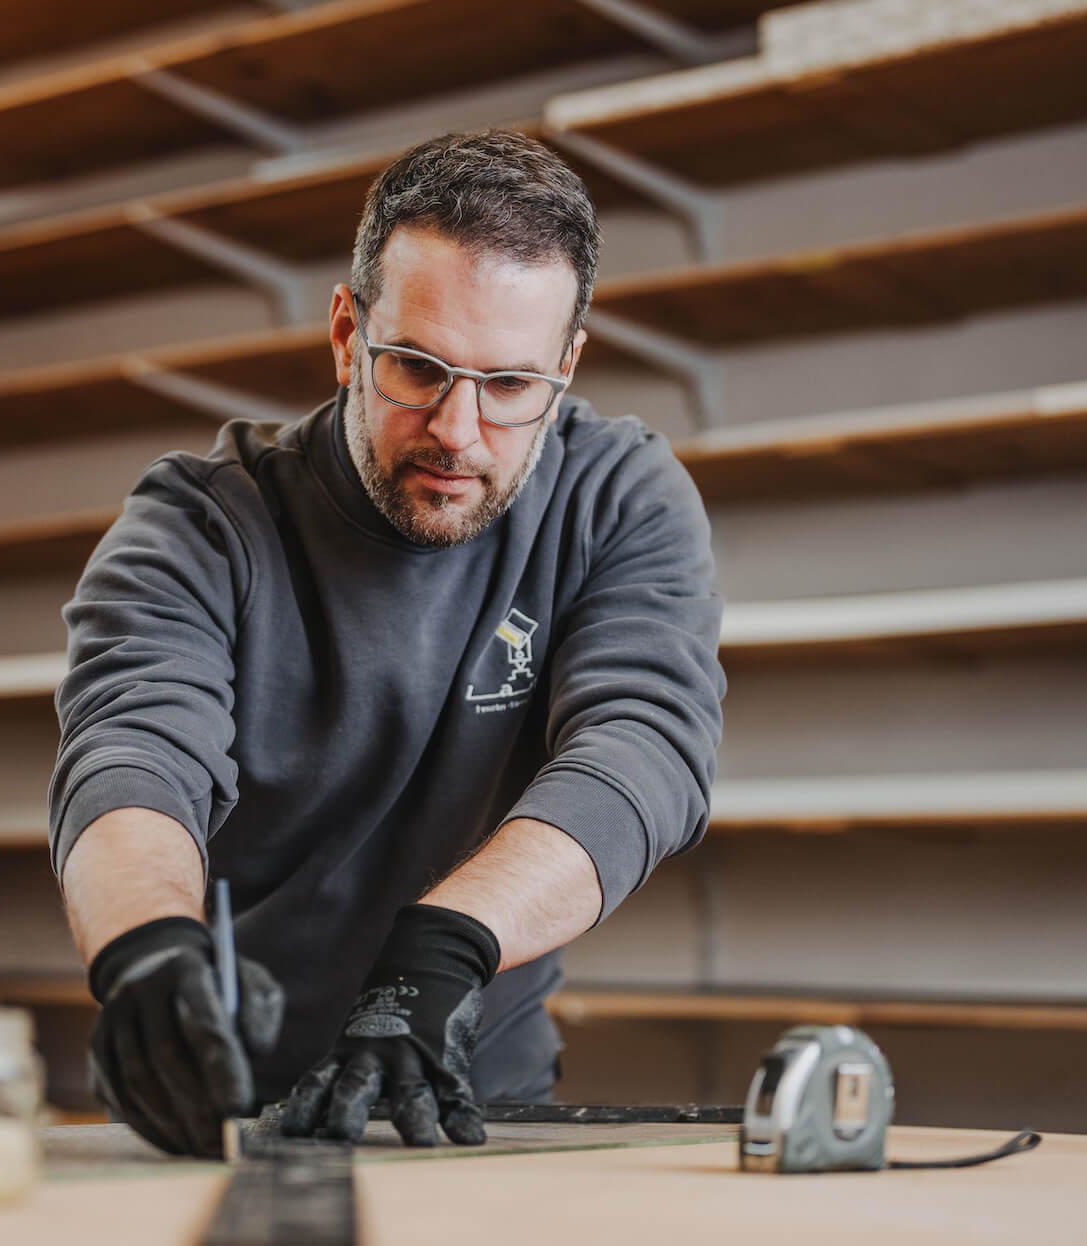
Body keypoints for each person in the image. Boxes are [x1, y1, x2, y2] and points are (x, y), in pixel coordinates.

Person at [49, 129, 725, 1157]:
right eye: (417, 366)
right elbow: (132, 753)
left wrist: (441, 950)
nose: (459, 430)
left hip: (464, 1088)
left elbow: (644, 750)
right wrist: (144, 949)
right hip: (220, 1097)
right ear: (344, 331)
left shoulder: (616, 496)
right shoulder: (198, 523)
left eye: (510, 386)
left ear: (569, 363)